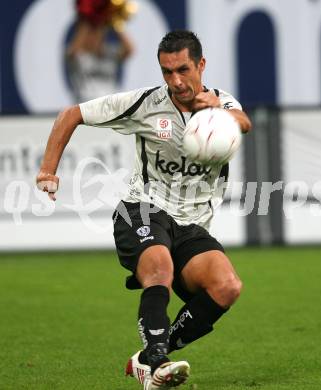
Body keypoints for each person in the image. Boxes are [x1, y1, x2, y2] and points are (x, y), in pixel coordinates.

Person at [36, 30, 252, 389]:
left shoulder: (223, 105)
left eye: (183, 69)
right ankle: (157, 361)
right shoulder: (146, 104)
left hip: (192, 225)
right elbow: (72, 113)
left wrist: (218, 111)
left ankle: (146, 359)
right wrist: (47, 169)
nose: (176, 81)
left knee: (226, 286)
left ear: (201, 64)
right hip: (142, 209)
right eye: (167, 72)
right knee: (160, 268)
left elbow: (243, 122)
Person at [66, 0, 135, 102]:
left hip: (111, 107)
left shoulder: (110, 53)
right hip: (86, 108)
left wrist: (115, 22)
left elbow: (130, 49)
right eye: (91, 33)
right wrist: (88, 16)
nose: (94, 37)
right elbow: (73, 50)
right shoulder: (77, 55)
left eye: (98, 32)